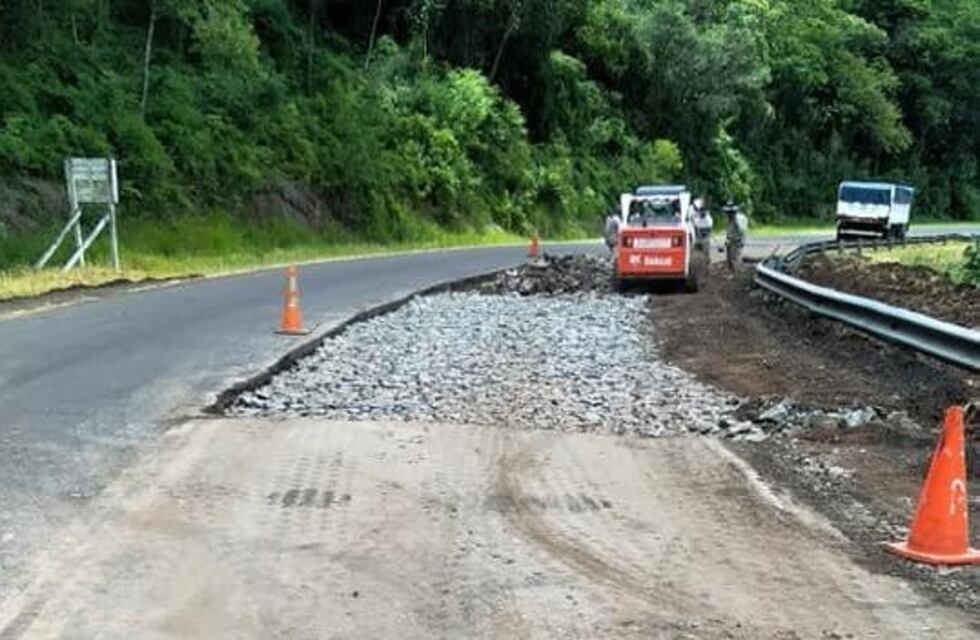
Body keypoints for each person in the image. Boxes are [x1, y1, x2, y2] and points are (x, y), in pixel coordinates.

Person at [723, 200, 748, 275]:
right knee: (729, 259)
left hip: (737, 242)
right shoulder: (728, 219)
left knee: (736, 259)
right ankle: (731, 273)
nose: (727, 214)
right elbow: (728, 230)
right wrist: (727, 240)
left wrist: (736, 221)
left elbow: (742, 232)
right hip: (730, 241)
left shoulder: (739, 219)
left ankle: (738, 275)